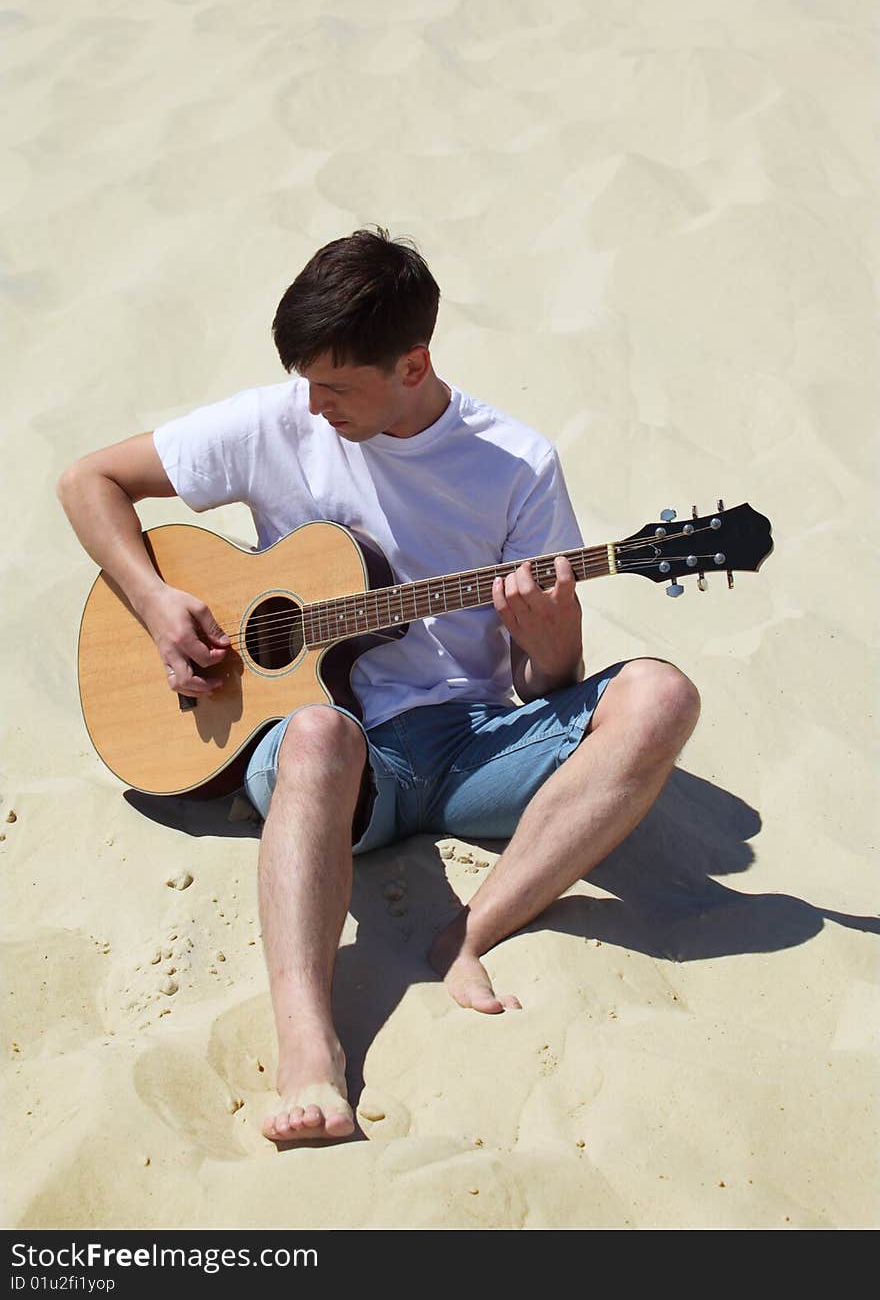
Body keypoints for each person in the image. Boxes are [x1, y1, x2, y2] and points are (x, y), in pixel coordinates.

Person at [57, 226, 700, 1146]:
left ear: (413, 364)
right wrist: (159, 603)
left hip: (474, 746)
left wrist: (551, 646)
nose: (314, 407)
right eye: (306, 383)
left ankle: (470, 933)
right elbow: (88, 481)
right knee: (323, 733)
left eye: (336, 389)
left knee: (663, 696)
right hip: (333, 754)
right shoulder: (278, 419)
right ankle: (308, 1049)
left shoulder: (514, 463)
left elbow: (539, 686)